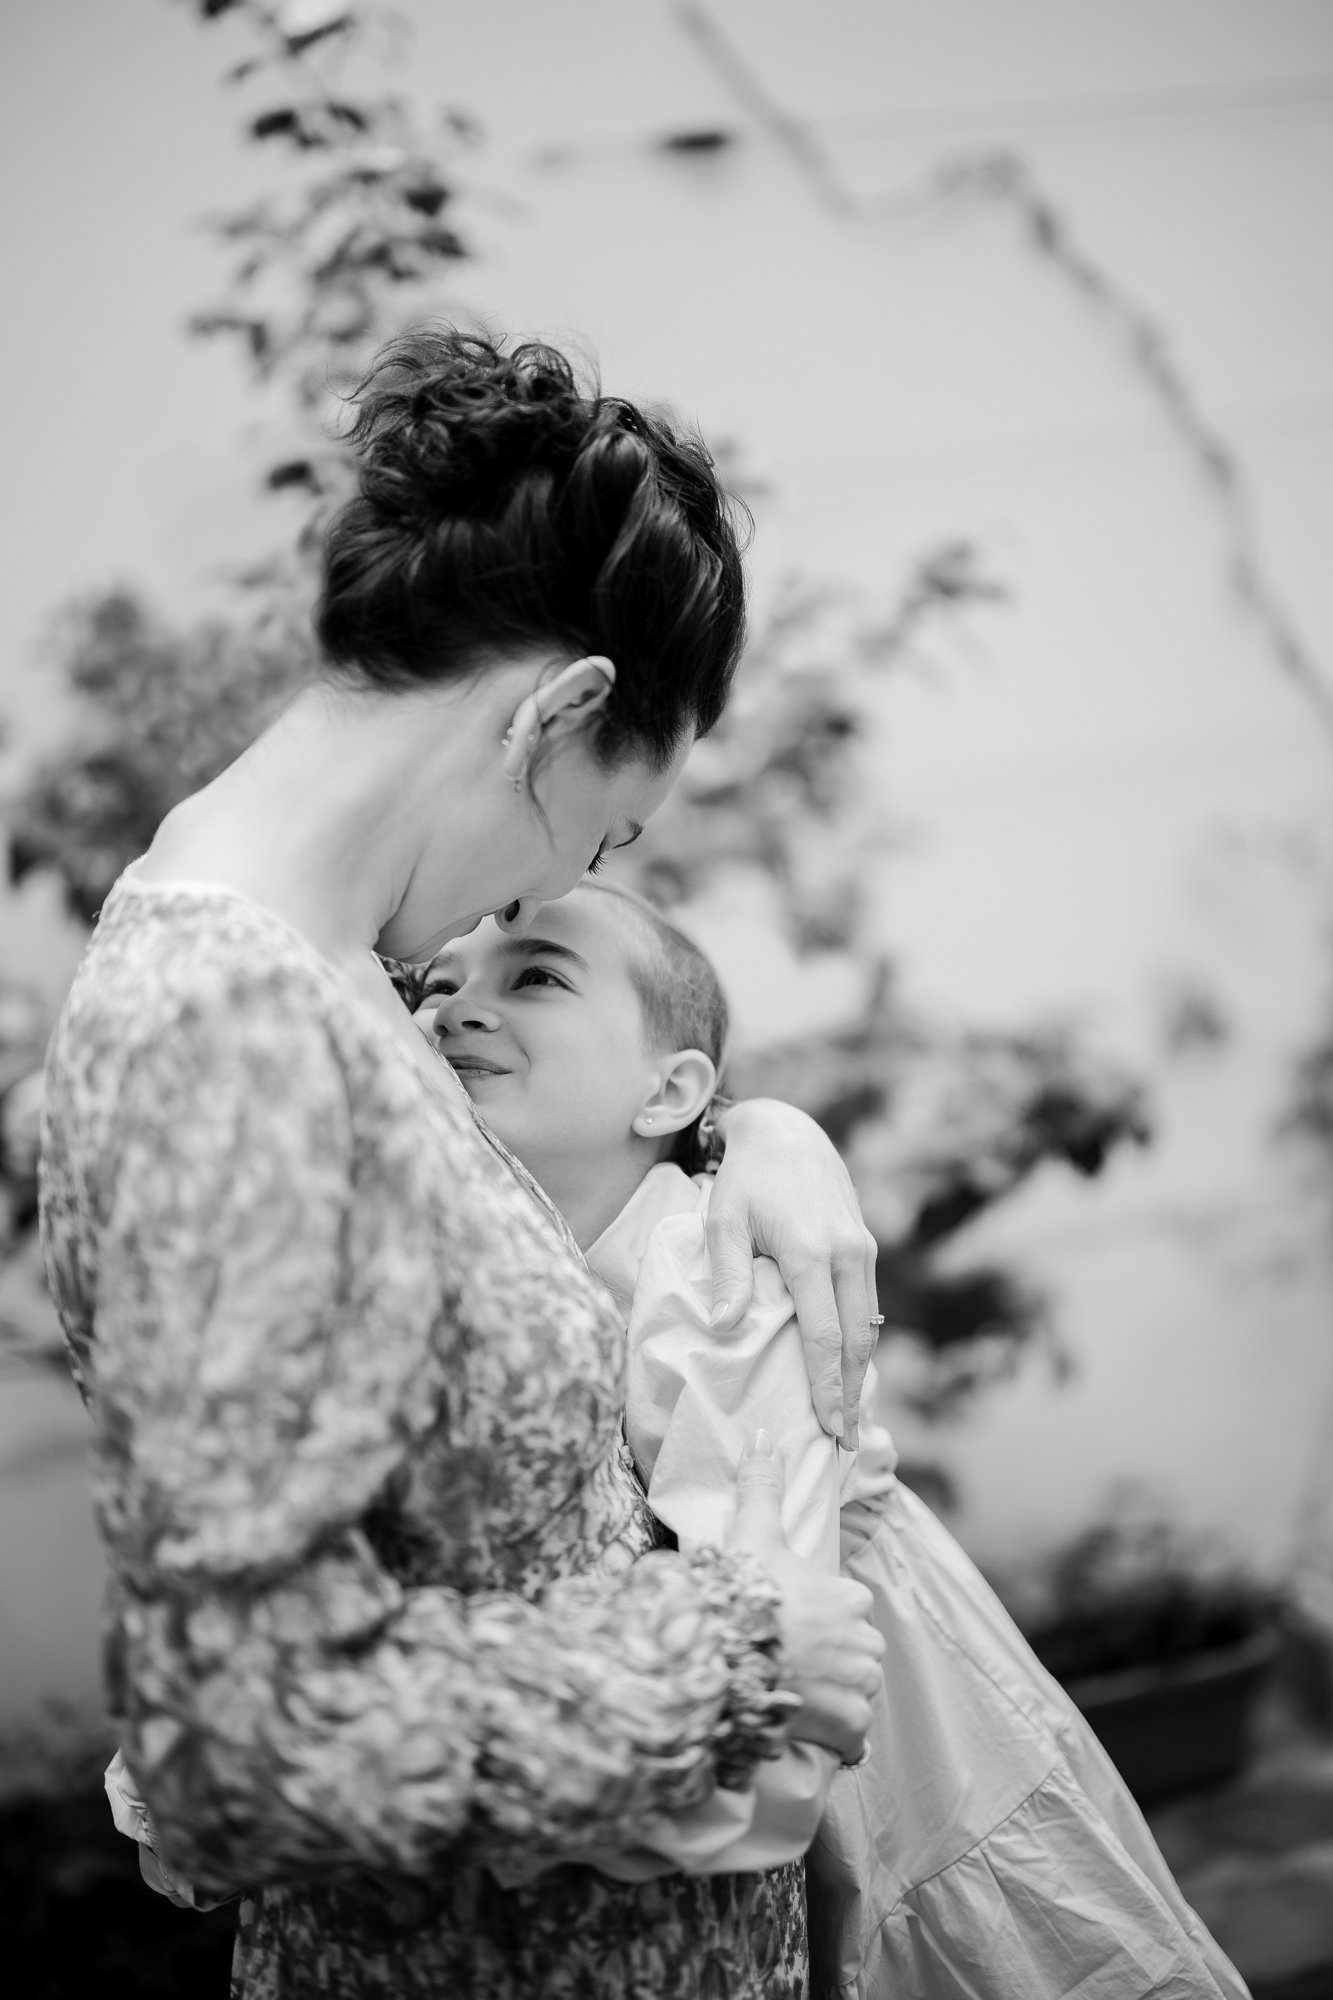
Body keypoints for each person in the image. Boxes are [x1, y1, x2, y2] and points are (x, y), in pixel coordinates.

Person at [39, 327, 887, 2000]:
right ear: (560, 713)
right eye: (601, 834)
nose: (531, 903)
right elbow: (250, 1740)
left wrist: (754, 1138)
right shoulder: (233, 1030)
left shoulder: (339, 975)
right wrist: (734, 1658)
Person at [408, 877, 1252, 2000]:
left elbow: (762, 1633)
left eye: (536, 976)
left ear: (670, 1090)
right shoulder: (497, 1265)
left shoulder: (709, 1273)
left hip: (873, 1708)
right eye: (430, 985)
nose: (455, 1008)